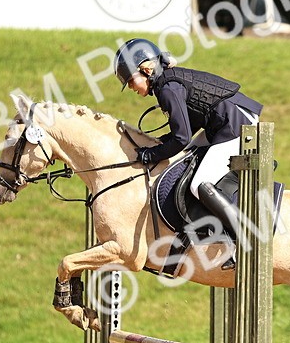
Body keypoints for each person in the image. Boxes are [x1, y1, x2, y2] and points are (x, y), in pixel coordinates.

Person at [113, 38, 264, 266]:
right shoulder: (166, 83)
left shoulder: (168, 89)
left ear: (146, 70)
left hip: (237, 124)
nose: (132, 88)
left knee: (198, 184)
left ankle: (244, 238)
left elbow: (181, 138)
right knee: (185, 159)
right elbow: (185, 129)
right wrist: (157, 147)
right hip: (223, 124)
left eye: (132, 81)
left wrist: (152, 154)